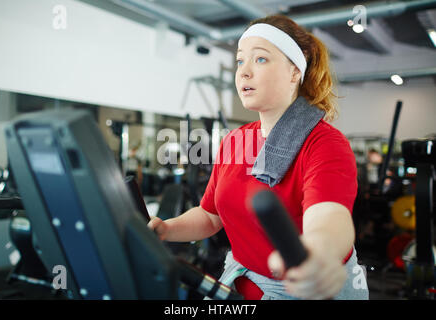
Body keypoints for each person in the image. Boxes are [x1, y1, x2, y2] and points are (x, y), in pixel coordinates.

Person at [148, 14, 368, 300]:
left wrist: (319, 252)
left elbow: (329, 217)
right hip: (239, 281)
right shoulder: (235, 141)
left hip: (304, 289)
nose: (244, 72)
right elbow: (209, 216)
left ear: (294, 71)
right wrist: (166, 228)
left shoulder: (324, 143)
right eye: (240, 61)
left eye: (260, 59)